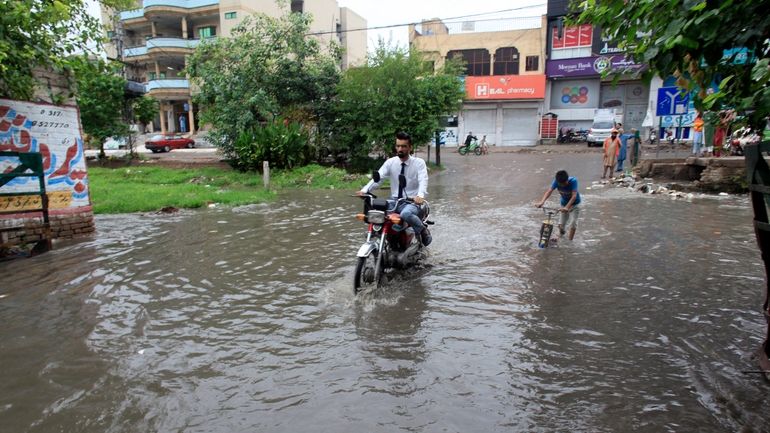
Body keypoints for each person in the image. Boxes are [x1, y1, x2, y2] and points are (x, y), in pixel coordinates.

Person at [358, 131, 431, 246]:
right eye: (398, 146)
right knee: (375, 211)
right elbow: (379, 178)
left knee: (406, 214)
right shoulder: (390, 162)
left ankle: (423, 231)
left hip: (412, 203)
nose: (400, 149)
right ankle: (377, 235)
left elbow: (423, 180)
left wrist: (420, 196)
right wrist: (365, 190)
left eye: (403, 146)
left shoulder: (418, 163)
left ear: (410, 147)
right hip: (394, 201)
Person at [536, 170, 581, 241]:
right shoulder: (556, 181)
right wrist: (542, 202)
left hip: (575, 204)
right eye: (561, 184)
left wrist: (567, 207)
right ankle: (561, 235)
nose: (563, 185)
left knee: (573, 222)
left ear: (567, 180)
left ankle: (570, 241)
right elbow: (549, 191)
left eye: (564, 183)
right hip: (564, 204)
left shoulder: (573, 181)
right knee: (561, 225)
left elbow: (574, 196)